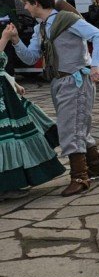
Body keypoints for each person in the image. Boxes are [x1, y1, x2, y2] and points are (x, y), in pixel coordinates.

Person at [9, 0, 99, 196]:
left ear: (36, 3)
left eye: (26, 3)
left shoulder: (67, 20)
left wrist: (95, 65)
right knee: (76, 124)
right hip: (58, 81)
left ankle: (80, 177)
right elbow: (31, 57)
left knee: (70, 128)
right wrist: (16, 40)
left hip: (75, 80)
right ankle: (98, 166)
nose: (26, 8)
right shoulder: (41, 27)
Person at [0, 29, 65, 198]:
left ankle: (13, 183)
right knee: (6, 137)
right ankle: (6, 185)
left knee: (15, 135)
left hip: (6, 95)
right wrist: (5, 38)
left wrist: (13, 84)